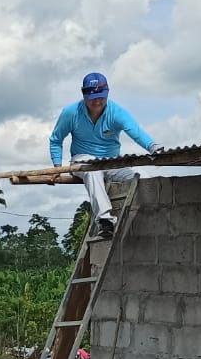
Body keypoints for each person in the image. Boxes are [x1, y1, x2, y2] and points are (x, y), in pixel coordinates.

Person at [49, 71, 161, 239]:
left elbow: (135, 131)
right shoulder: (71, 113)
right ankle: (105, 221)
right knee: (92, 170)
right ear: (84, 95)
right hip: (82, 159)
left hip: (111, 162)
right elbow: (56, 139)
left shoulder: (116, 112)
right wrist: (57, 167)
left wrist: (153, 147)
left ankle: (151, 216)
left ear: (107, 93)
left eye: (101, 97)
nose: (97, 101)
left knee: (142, 176)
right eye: (93, 98)